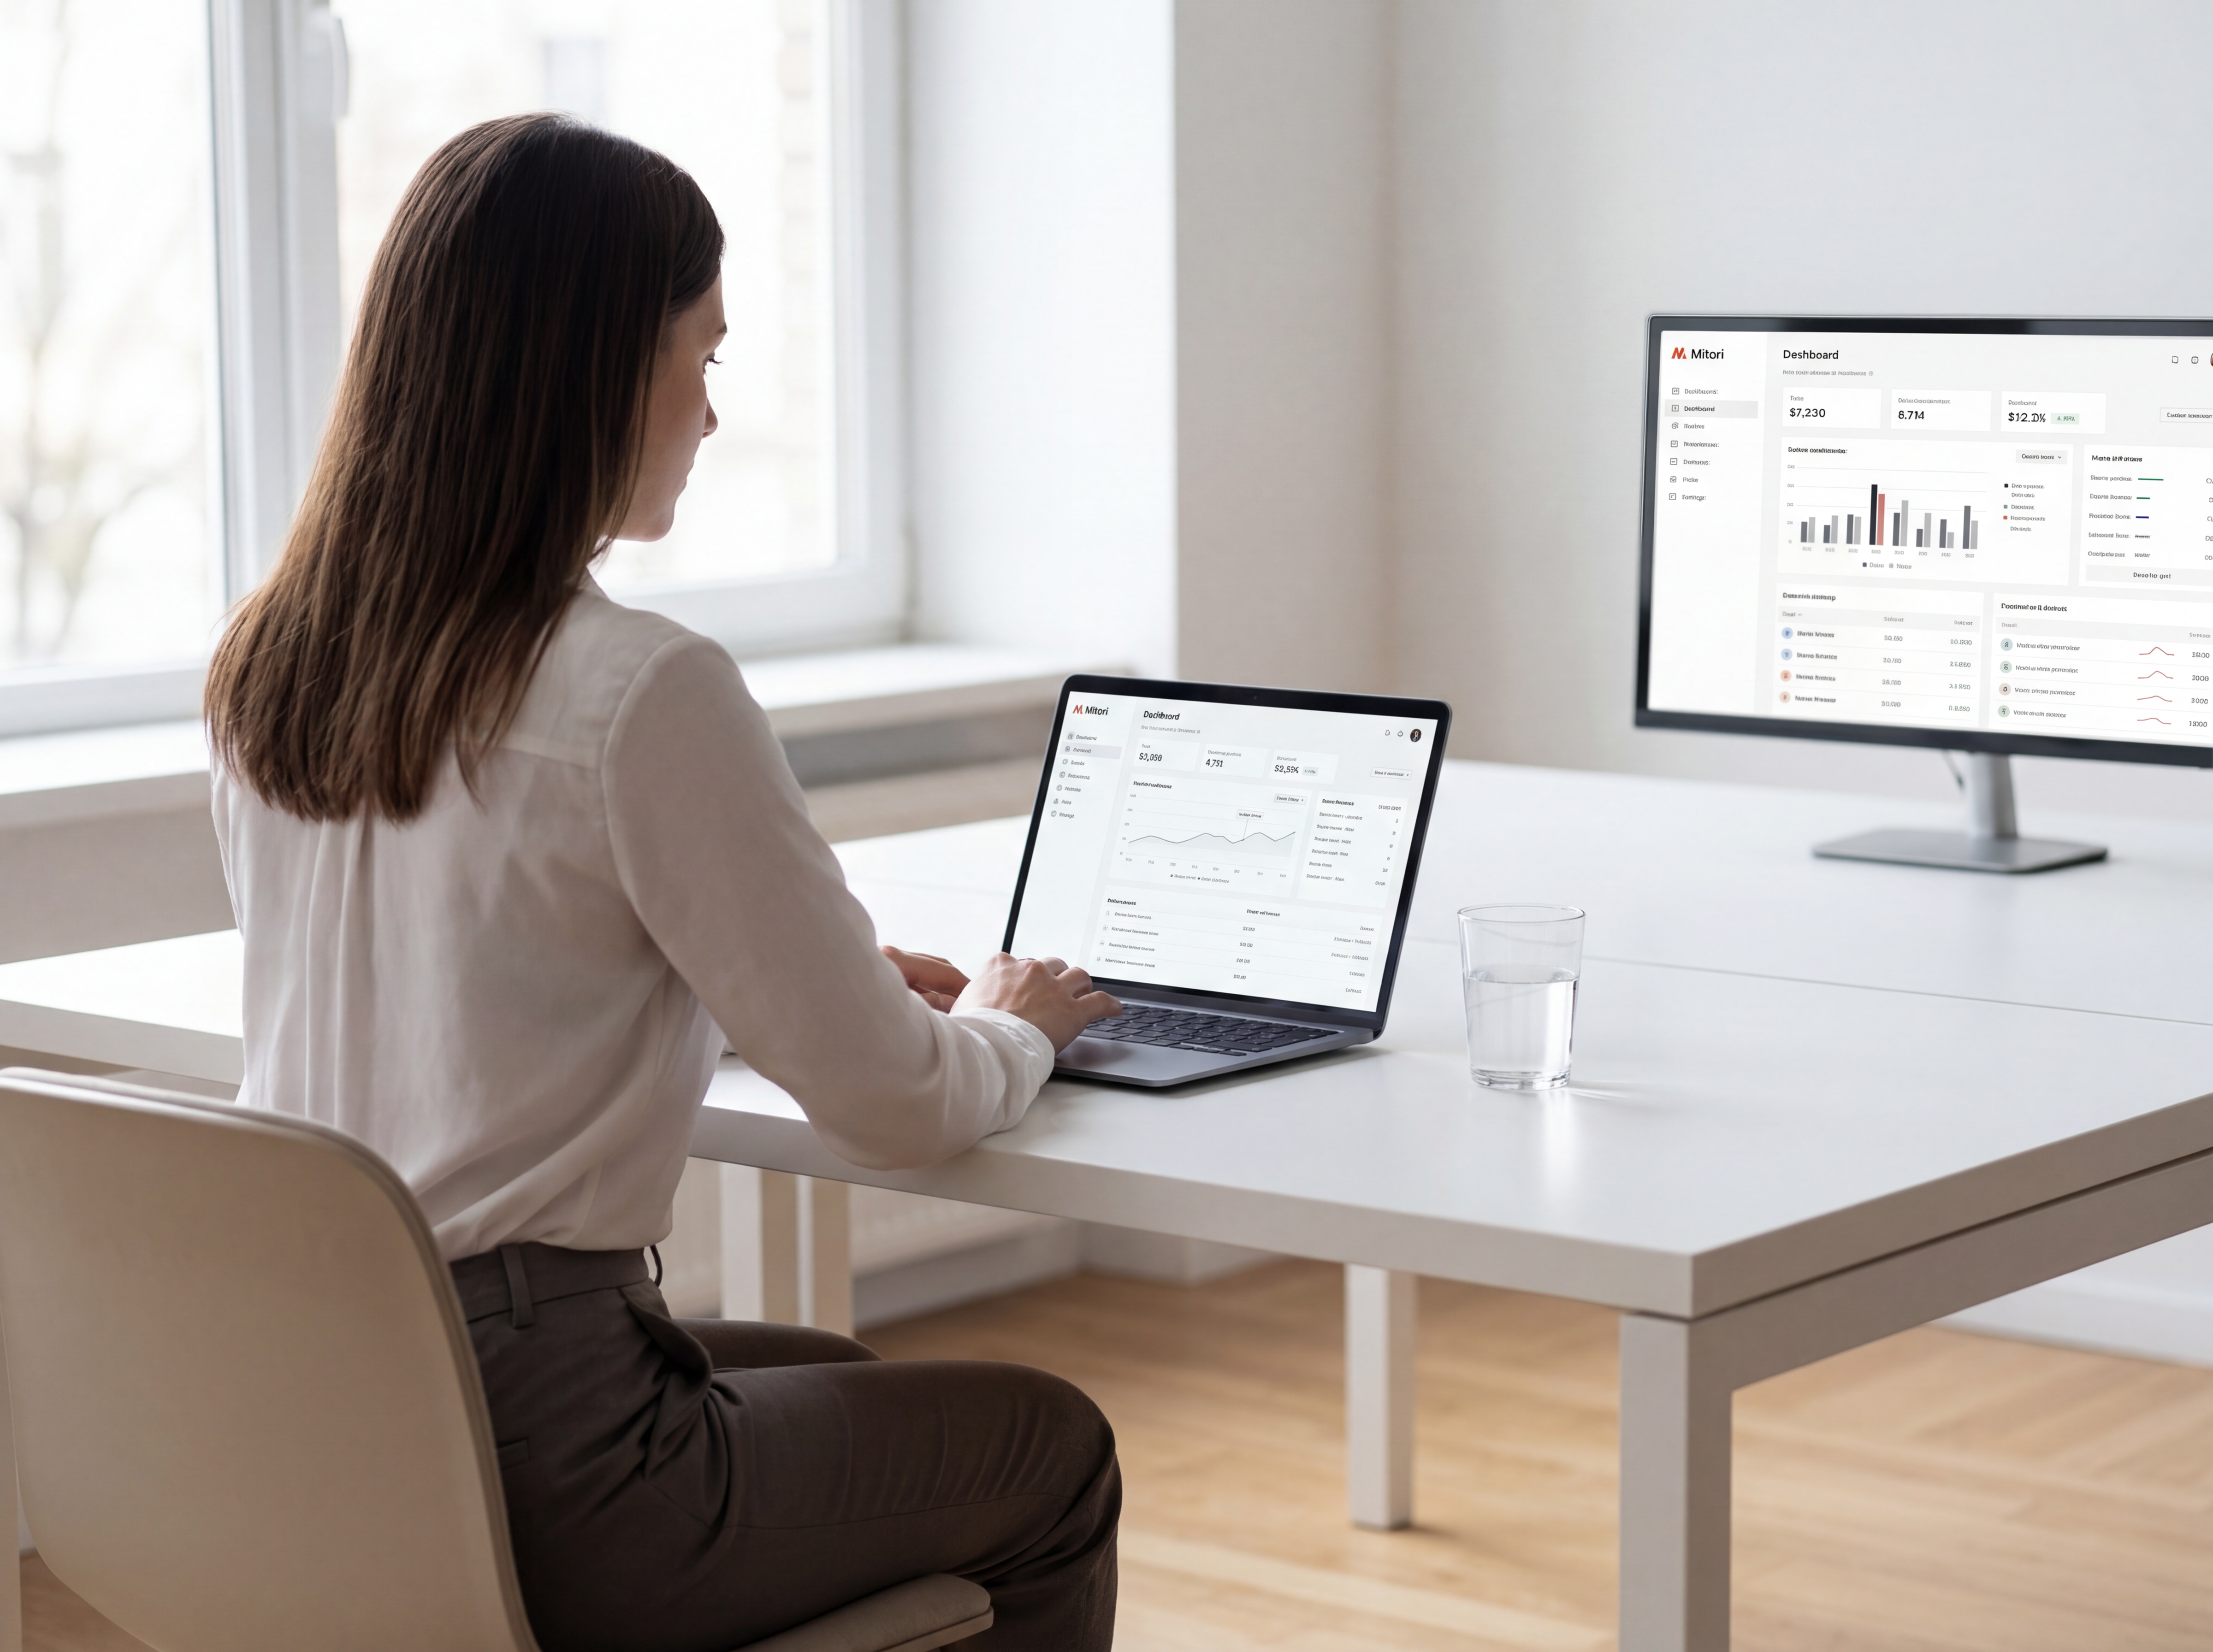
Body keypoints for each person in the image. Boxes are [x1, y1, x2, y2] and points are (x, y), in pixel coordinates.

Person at [202, 113, 1122, 1652]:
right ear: (587, 374)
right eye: (697, 356)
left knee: (842, 1374)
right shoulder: (643, 690)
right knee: (1048, 1450)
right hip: (552, 1441)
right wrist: (1019, 1022)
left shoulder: (273, 663)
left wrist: (755, 977)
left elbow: (493, 979)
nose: (709, 410)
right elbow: (901, 1109)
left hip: (328, 1398)